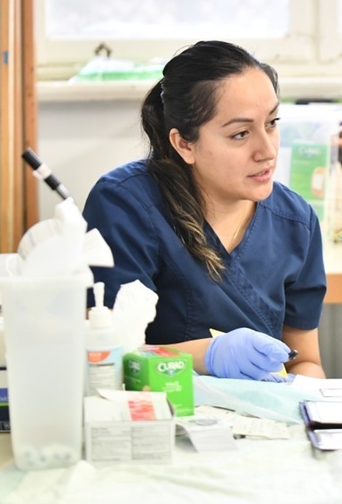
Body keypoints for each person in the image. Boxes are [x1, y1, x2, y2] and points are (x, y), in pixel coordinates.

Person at [83, 40, 326, 382]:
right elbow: (107, 355)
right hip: (158, 420)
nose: (267, 150)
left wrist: (302, 399)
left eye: (272, 123)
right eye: (240, 134)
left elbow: (305, 361)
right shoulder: (125, 206)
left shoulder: (296, 222)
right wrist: (208, 357)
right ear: (184, 143)